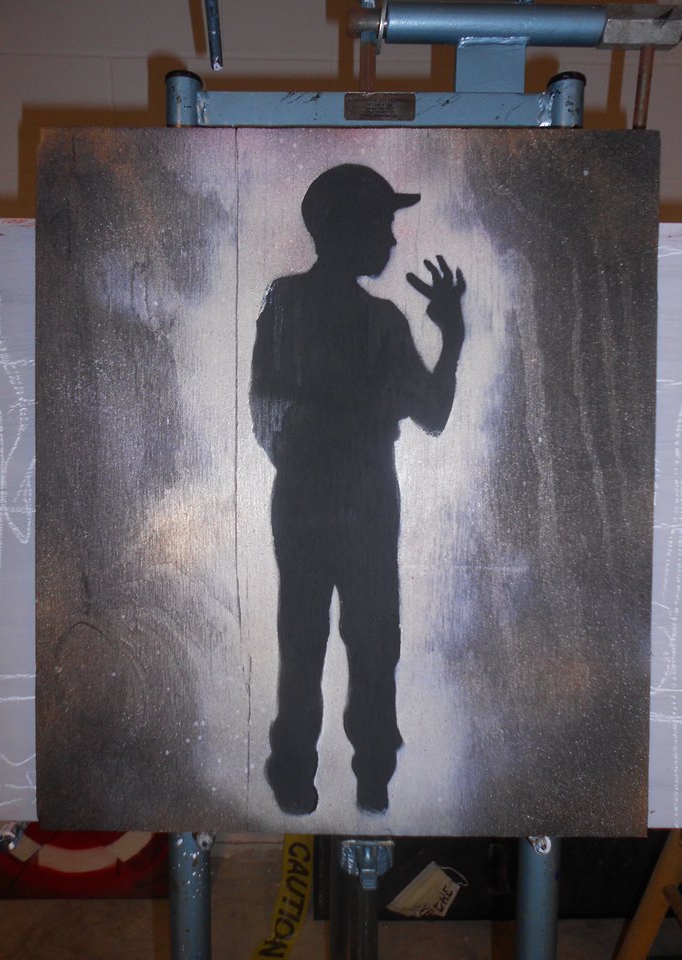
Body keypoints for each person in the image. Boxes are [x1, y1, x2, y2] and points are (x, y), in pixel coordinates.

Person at [250, 164, 466, 815]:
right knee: (353, 643)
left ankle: (328, 776)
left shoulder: (313, 310)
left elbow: (271, 415)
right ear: (347, 228)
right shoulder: (339, 315)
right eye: (383, 223)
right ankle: (354, 775)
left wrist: (451, 335)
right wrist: (449, 337)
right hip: (352, 499)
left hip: (326, 499)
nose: (392, 240)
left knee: (332, 643)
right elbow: (429, 413)